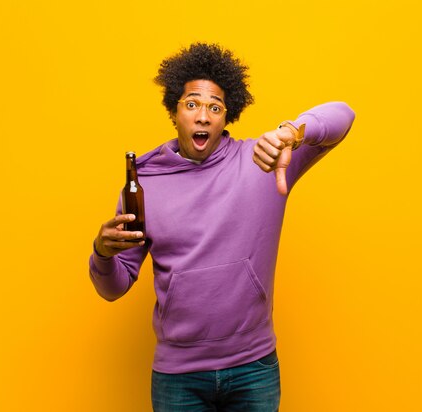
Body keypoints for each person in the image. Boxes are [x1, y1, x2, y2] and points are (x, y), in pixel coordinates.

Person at [89, 43, 355, 412]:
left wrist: (292, 131)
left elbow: (343, 115)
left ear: (226, 117)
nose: (203, 116)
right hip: (178, 376)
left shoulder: (264, 160)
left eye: (215, 107)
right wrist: (102, 254)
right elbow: (113, 288)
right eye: (192, 103)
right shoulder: (144, 183)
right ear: (175, 111)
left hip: (254, 367)